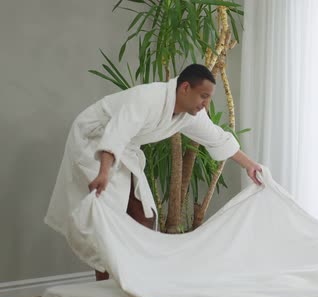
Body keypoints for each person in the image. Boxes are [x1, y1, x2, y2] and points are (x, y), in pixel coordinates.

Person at [45, 64, 262, 281]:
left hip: (126, 149)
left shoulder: (191, 114)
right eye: (203, 96)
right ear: (185, 88)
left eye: (209, 98)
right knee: (107, 220)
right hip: (93, 141)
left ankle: (134, 281)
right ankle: (105, 288)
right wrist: (103, 173)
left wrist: (251, 165)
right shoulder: (147, 99)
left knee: (144, 216)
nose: (206, 104)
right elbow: (115, 134)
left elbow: (217, 138)